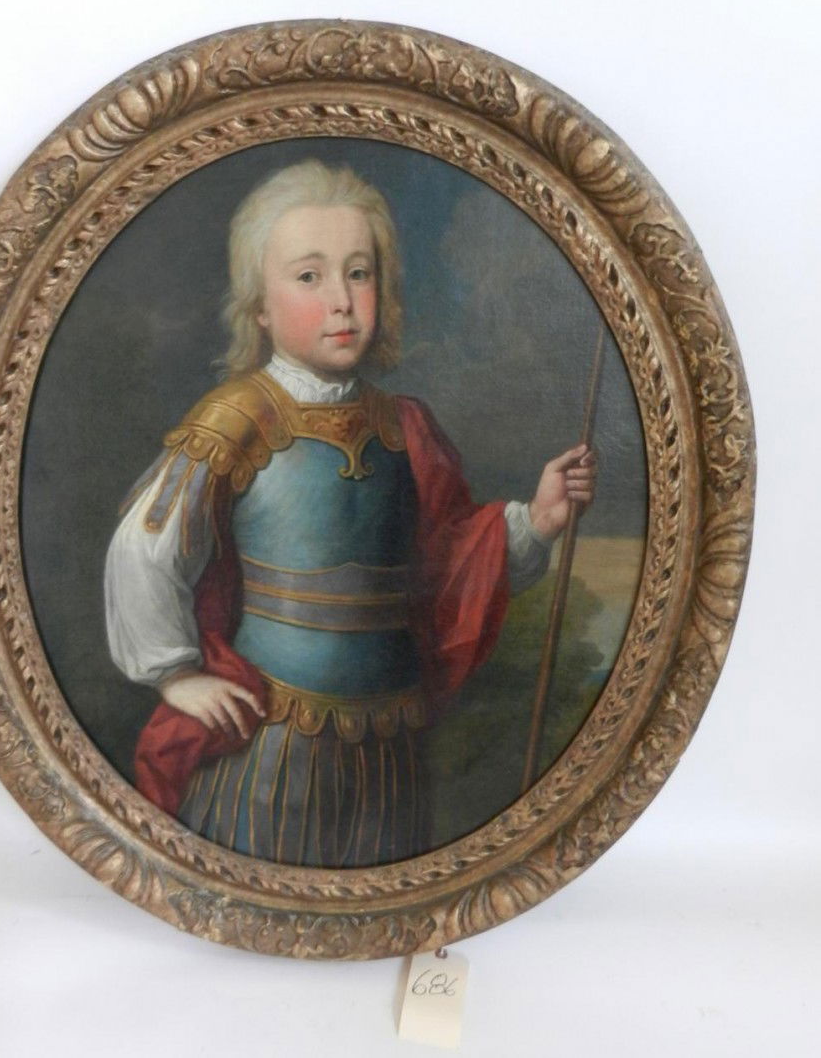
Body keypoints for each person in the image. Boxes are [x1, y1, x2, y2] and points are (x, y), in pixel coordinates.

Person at [105, 160, 596, 867]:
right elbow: (144, 548)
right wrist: (176, 675)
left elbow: (450, 564)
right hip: (269, 741)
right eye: (309, 276)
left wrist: (538, 520)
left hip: (391, 744)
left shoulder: (405, 425)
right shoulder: (236, 419)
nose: (341, 300)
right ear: (259, 307)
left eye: (359, 274)